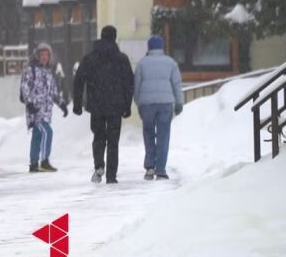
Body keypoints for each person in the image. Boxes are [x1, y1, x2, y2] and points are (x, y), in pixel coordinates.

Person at [72, 25, 134, 184]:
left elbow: (79, 80)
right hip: (116, 106)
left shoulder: (90, 58)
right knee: (113, 141)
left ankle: (99, 165)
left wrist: (77, 103)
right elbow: (128, 83)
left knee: (99, 136)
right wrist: (127, 105)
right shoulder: (121, 59)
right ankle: (111, 176)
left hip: (96, 105)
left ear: (101, 36)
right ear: (114, 38)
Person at [134, 35, 184, 180]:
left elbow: (136, 86)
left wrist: (139, 102)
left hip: (147, 104)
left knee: (148, 134)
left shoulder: (142, 64)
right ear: (161, 47)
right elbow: (176, 85)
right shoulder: (171, 63)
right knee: (163, 135)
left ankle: (149, 167)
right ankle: (161, 169)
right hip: (165, 104)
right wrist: (179, 103)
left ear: (149, 48)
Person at [21, 43, 68, 172]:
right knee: (48, 132)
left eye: (46, 54)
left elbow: (53, 92)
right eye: (42, 54)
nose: (44, 57)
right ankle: (44, 161)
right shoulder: (31, 70)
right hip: (35, 110)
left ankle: (34, 163)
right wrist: (30, 103)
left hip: (46, 111)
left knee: (37, 135)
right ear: (37, 56)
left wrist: (62, 104)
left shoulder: (48, 72)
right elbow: (25, 87)